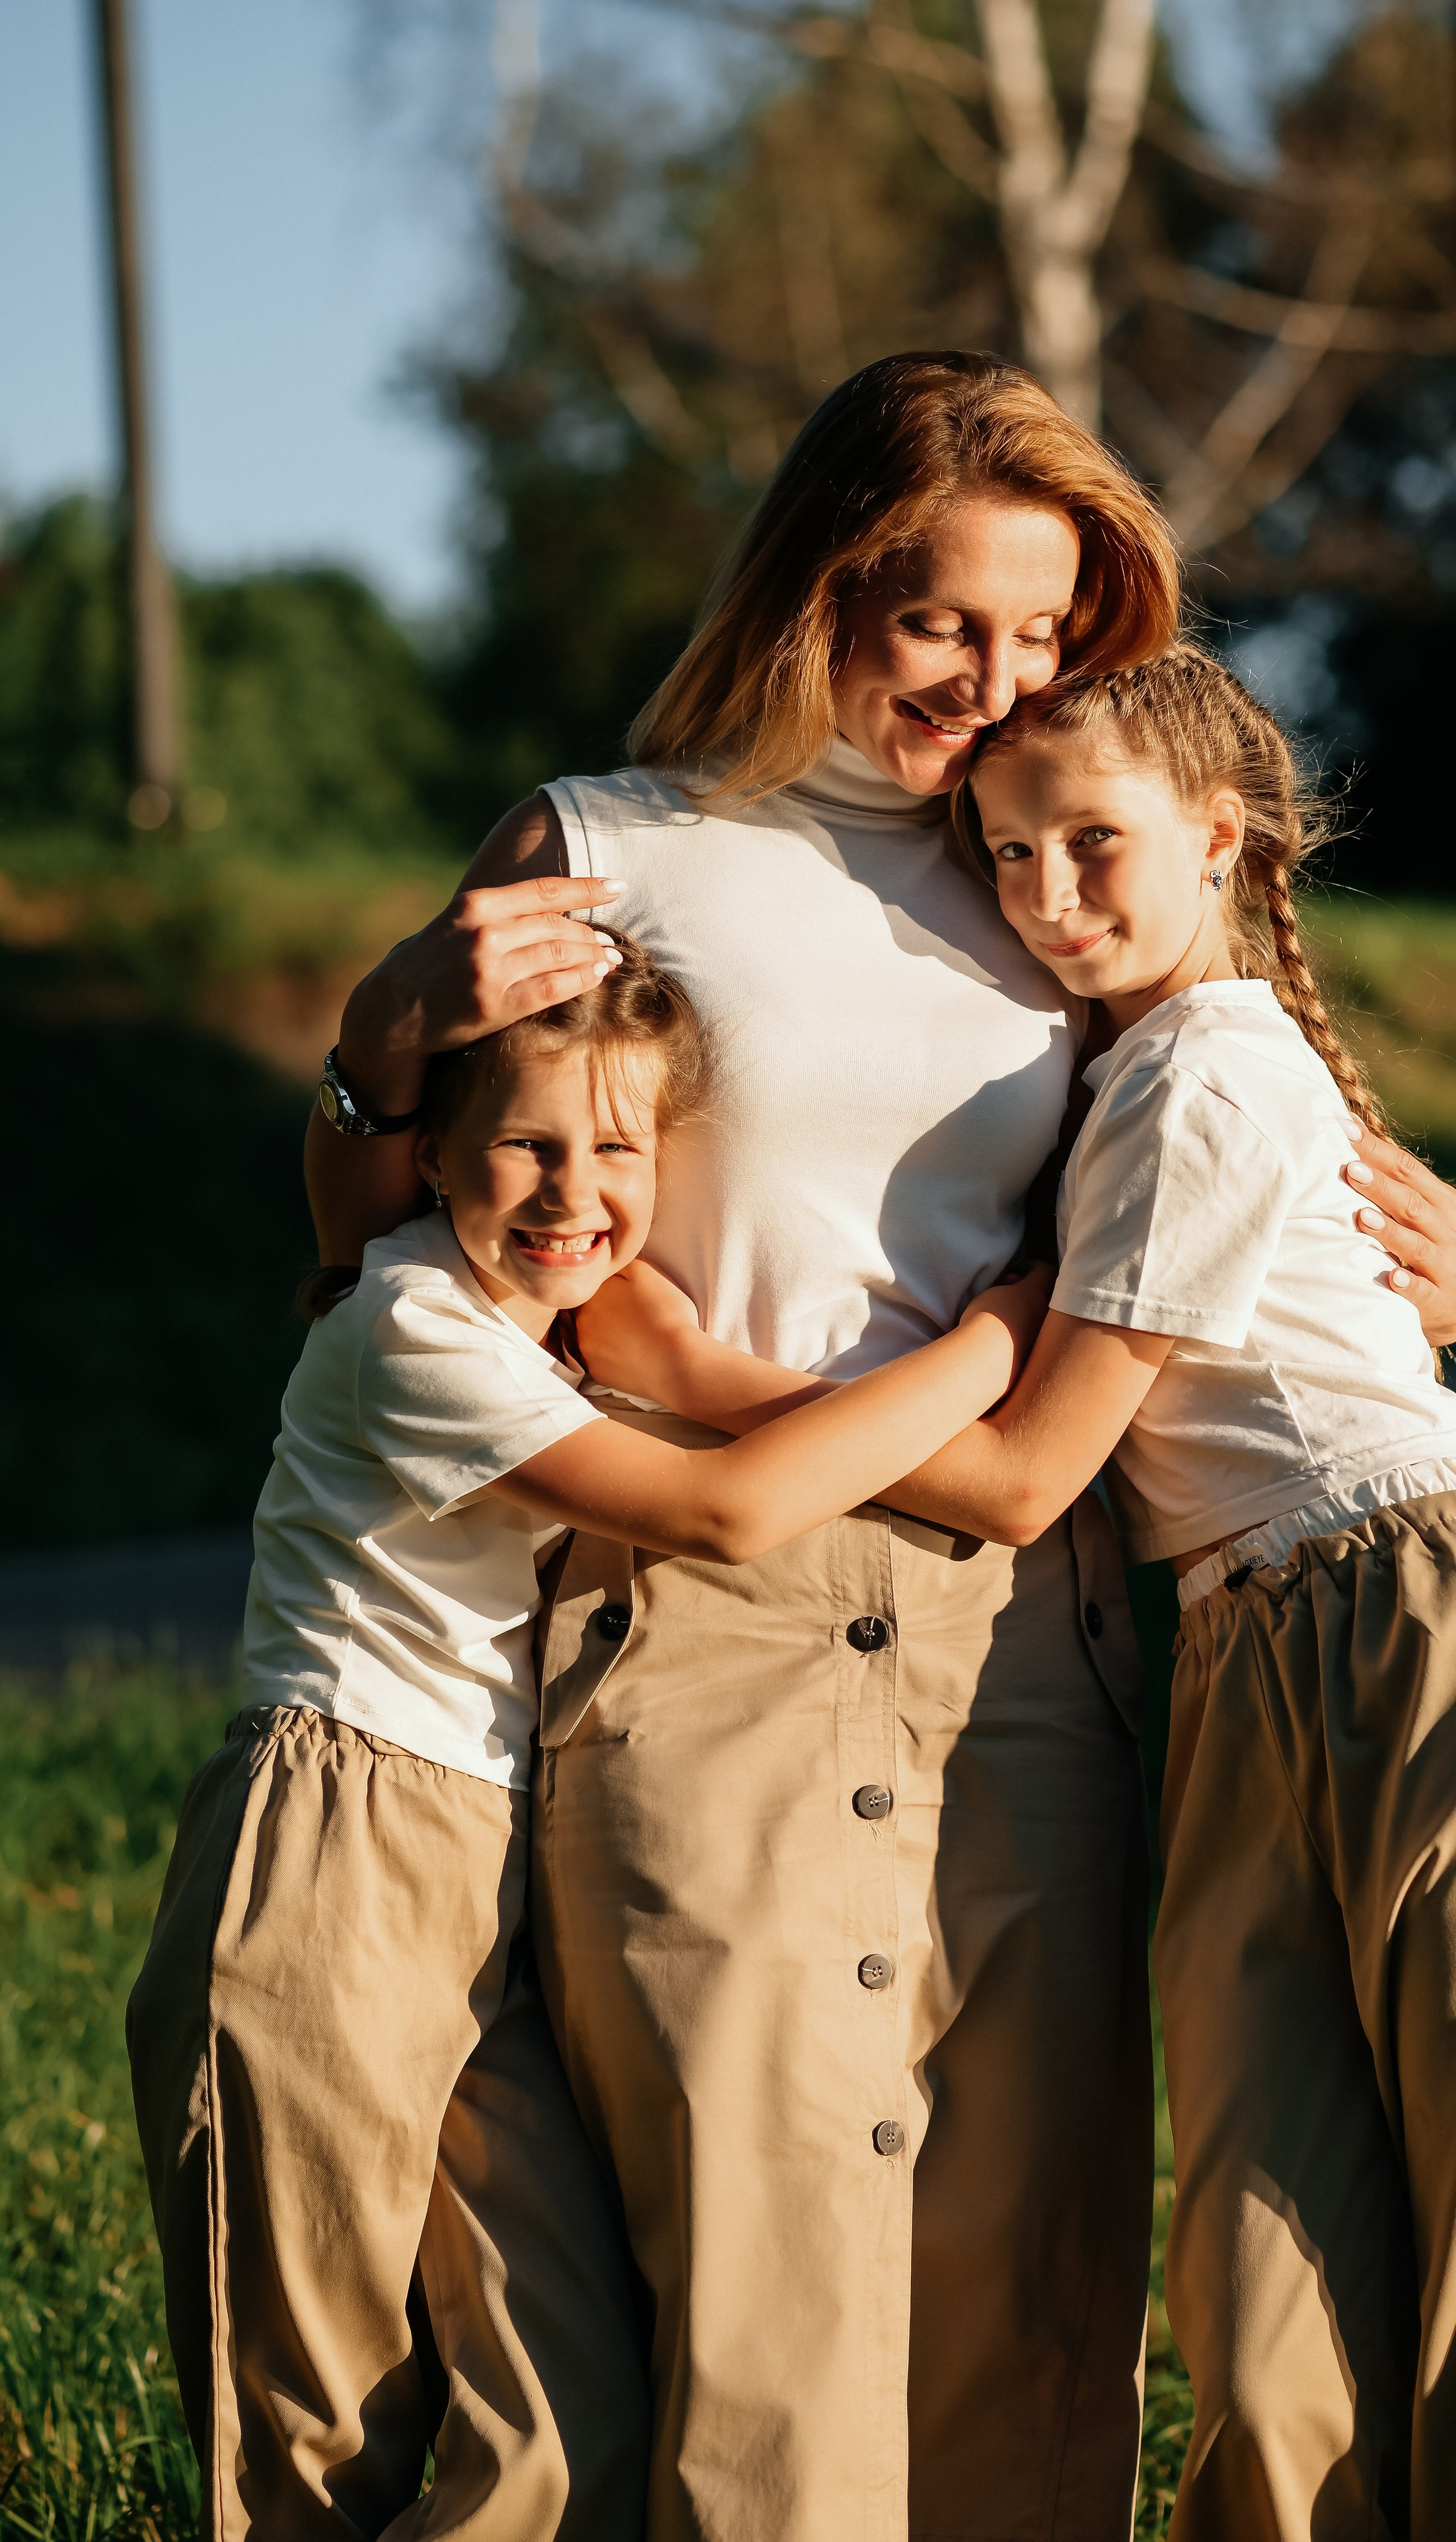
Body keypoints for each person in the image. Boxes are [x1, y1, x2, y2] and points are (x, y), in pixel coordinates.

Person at [306, 353, 1456, 2542]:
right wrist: (388, 1042)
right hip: (696, 1628)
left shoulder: (1052, 876)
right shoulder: (613, 842)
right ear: (819, 580)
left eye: (1048, 631)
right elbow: (388, 1240)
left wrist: (1435, 1261)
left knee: (1022, 2308)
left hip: (1015, 1654)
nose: (1003, 672)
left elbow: (1232, 1127)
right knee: (760, 2329)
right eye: (948, 614)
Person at [678, 642, 1456, 2542]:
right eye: (1007, 854)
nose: (1047, 895)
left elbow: (1034, 1469)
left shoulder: (1209, 1067)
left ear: (1220, 835)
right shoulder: (1127, 1076)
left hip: (1425, 1630)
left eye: (1092, 844)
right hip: (1235, 1666)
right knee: (1262, 2286)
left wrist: (711, 1380)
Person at [130, 939, 1048, 2538]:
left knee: (562, 2417)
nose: (574, 1190)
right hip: (335, 1838)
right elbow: (724, 1508)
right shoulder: (409, 1325)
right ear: (430, 1157)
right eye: (526, 1145)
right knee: (312, 2425)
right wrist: (993, 1349)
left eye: (618, 1148)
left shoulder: (540, 1331)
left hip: (490, 1853)